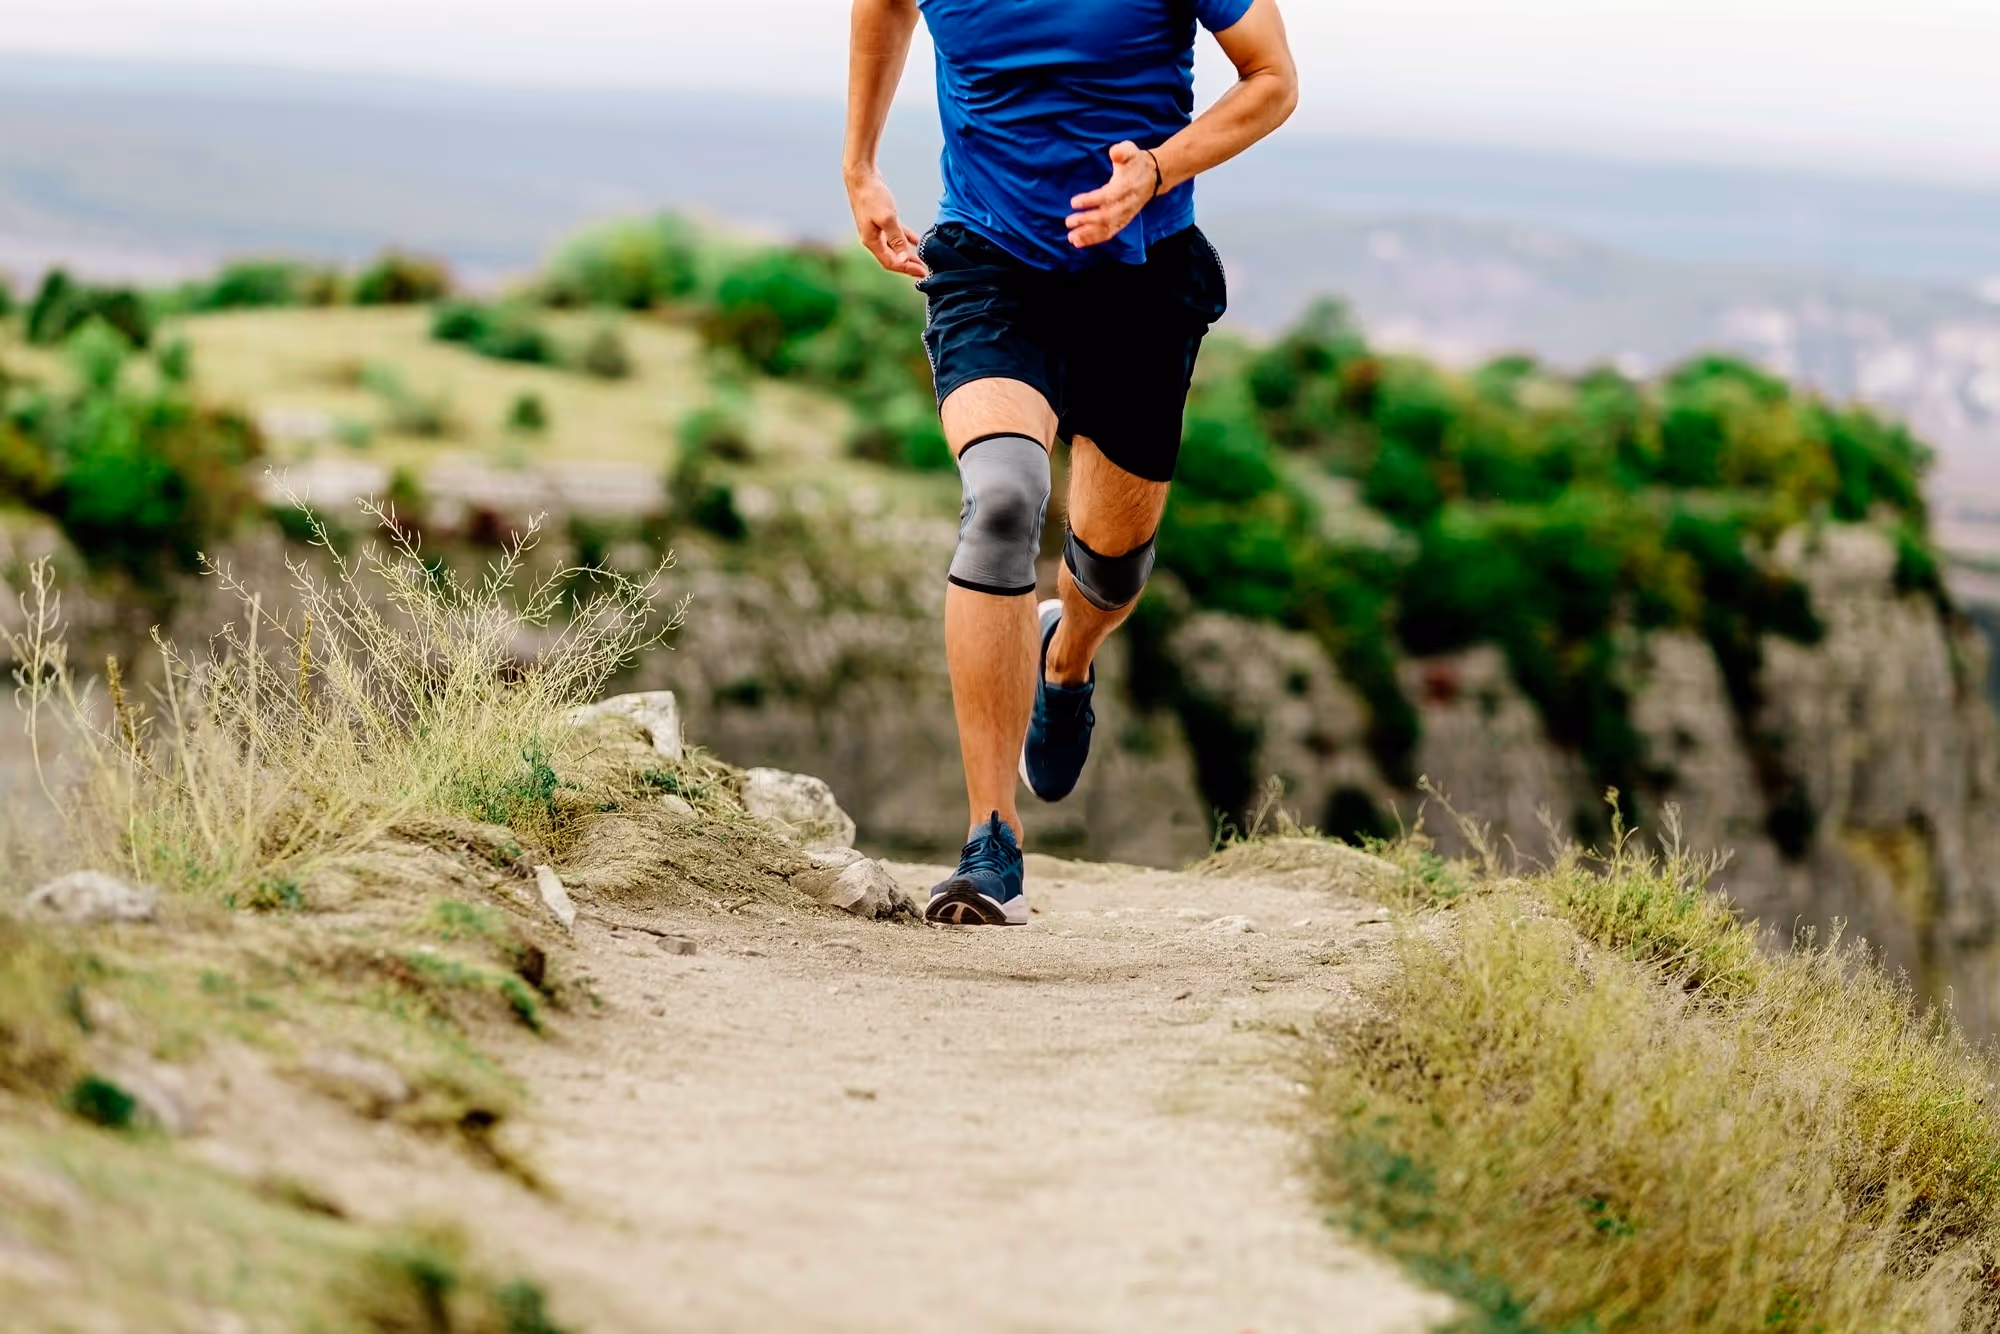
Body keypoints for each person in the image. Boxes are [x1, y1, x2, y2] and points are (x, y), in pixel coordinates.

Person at [844, 0, 1298, 925]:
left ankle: (1068, 659)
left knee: (1110, 563)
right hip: (990, 259)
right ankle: (990, 841)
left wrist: (1158, 170)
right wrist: (860, 166)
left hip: (1144, 267)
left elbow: (1273, 80)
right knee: (1004, 501)